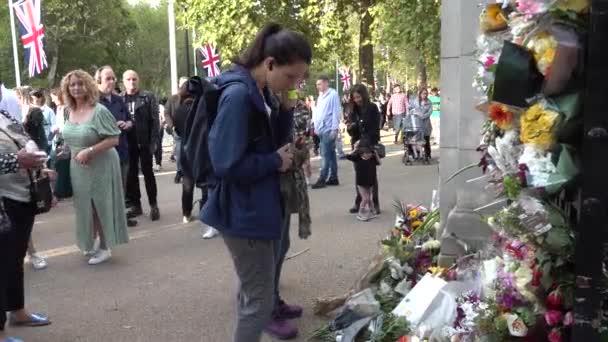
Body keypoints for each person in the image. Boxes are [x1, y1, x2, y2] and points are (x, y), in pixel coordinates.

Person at [200, 23, 311, 342]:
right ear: (270, 63)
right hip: (243, 212)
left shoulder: (259, 91)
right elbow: (225, 163)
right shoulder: (238, 96)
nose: (294, 85)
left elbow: (268, 141)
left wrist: (286, 112)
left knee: (254, 295)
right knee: (259, 302)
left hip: (255, 208)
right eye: (291, 77)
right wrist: (275, 161)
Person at [61, 69, 129, 265]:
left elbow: (114, 138)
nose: (76, 88)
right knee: (86, 206)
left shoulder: (99, 110)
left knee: (101, 204)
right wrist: (66, 149)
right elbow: (74, 136)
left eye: (80, 84)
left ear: (88, 86)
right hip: (78, 167)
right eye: (72, 84)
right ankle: (95, 240)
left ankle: (106, 247)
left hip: (102, 163)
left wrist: (89, 150)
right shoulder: (69, 110)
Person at [0, 109, 53, 342]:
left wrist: (40, 167)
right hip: (4, 199)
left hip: (23, 195)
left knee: (14, 260)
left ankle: (17, 311)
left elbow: (24, 139)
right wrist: (16, 160)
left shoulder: (2, 113)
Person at [169, 82, 219, 239]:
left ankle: (188, 213)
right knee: (206, 188)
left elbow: (178, 129)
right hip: (201, 153)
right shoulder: (202, 108)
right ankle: (207, 219)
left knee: (190, 185)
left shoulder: (181, 109)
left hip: (190, 153)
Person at [96, 66, 137, 228]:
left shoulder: (119, 100)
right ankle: (106, 221)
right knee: (106, 189)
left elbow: (129, 120)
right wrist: (112, 126)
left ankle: (120, 219)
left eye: (113, 78)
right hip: (104, 152)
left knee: (120, 187)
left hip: (122, 149)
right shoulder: (94, 101)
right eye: (108, 78)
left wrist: (127, 124)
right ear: (98, 80)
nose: (112, 81)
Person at [122, 70, 160, 221]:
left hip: (144, 142)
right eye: (128, 79)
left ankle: (153, 205)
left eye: (134, 79)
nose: (132, 82)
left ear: (138, 80)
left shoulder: (148, 97)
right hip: (127, 144)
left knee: (148, 174)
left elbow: (155, 121)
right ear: (123, 81)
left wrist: (154, 142)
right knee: (131, 176)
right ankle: (136, 205)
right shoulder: (120, 99)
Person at [345, 84, 381, 215]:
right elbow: (350, 131)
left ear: (364, 95)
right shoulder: (352, 110)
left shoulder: (372, 108)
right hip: (356, 146)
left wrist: (365, 141)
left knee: (371, 175)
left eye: (359, 97)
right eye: (354, 98)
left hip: (369, 144)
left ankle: (375, 202)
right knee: (359, 174)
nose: (357, 100)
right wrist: (350, 127)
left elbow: (375, 128)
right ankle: (360, 201)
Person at [311, 75, 341, 189]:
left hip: (329, 129)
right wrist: (315, 126)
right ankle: (333, 177)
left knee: (324, 154)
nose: (317, 86)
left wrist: (334, 128)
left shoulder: (332, 95)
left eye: (319, 84)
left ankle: (322, 178)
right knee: (331, 154)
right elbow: (318, 112)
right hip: (321, 129)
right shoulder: (320, 96)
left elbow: (336, 112)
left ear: (326, 83)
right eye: (317, 84)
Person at [346, 137, 380, 221]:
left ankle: (371, 212)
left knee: (369, 198)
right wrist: (355, 149)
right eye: (365, 153)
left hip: (370, 181)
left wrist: (375, 154)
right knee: (365, 198)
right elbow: (348, 156)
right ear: (361, 153)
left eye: (369, 153)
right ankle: (361, 213)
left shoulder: (373, 159)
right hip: (361, 182)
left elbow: (379, 162)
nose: (367, 155)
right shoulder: (357, 158)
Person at [163, 76, 189, 184]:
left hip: (191, 130)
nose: (185, 86)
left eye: (187, 84)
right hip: (177, 130)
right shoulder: (173, 99)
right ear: (179, 85)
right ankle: (180, 172)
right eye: (182, 84)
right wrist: (171, 125)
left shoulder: (194, 98)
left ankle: (189, 172)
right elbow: (167, 113)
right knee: (179, 152)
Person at [49, 88, 73, 200]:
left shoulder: (66, 109)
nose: (53, 100)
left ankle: (63, 190)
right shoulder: (58, 109)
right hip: (59, 140)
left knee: (63, 165)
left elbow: (69, 125)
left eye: (54, 97)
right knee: (59, 165)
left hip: (66, 140)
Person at [30, 89, 56, 154]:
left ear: (40, 98)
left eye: (34, 98)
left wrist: (50, 139)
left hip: (47, 140)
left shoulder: (49, 111)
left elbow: (54, 125)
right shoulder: (30, 111)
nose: (33, 101)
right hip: (35, 141)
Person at [412, 89, 433, 159]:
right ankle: (417, 154)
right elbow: (411, 109)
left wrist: (424, 116)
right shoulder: (415, 101)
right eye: (423, 93)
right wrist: (416, 113)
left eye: (426, 94)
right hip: (417, 122)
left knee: (426, 139)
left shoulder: (429, 102)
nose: (425, 95)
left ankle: (428, 154)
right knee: (417, 139)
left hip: (426, 123)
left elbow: (430, 111)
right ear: (420, 94)